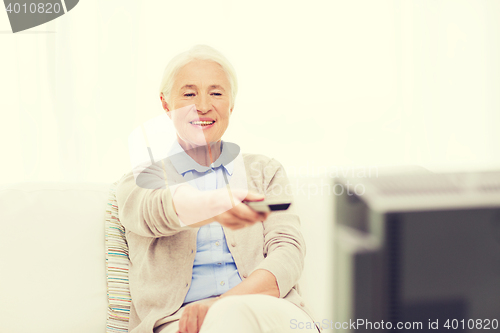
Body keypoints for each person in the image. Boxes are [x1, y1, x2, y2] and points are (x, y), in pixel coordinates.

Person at [116, 45, 320, 333]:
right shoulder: (141, 179)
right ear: (166, 104)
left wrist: (222, 304)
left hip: (269, 313)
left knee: (232, 318)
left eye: (216, 93)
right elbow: (156, 210)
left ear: (231, 104)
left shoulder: (265, 171)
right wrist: (213, 206)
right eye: (188, 94)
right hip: (178, 323)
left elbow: (287, 255)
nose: (202, 106)